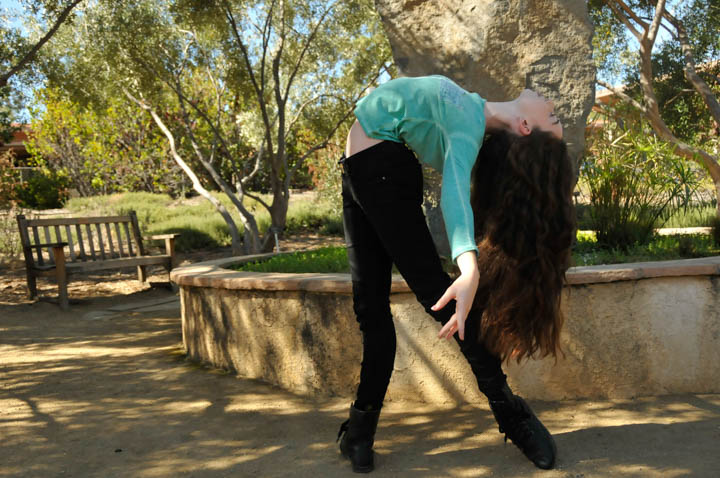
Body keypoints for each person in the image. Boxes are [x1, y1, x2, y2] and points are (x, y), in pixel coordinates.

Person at [335, 75, 576, 473]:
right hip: (359, 173)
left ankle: (512, 415)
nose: (553, 105)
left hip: (382, 171)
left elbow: (454, 193)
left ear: (526, 127)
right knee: (370, 310)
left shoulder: (468, 123)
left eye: (552, 116)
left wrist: (468, 265)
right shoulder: (471, 108)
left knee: (438, 298)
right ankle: (359, 431)